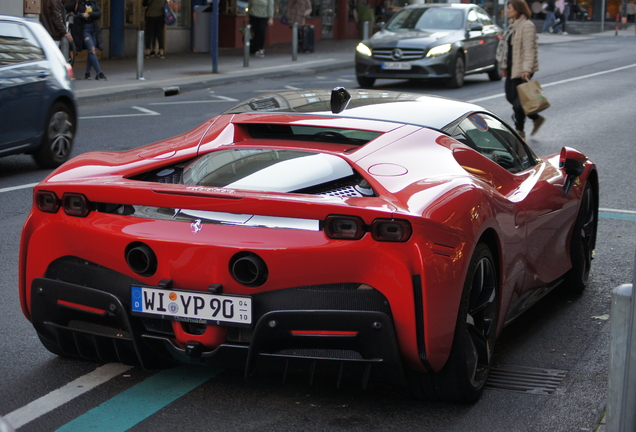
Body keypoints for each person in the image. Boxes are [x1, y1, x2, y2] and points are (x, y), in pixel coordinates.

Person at [496, 0, 545, 139]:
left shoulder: (527, 26)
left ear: (517, 9)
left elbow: (529, 50)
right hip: (512, 67)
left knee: (519, 103)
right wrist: (504, 67)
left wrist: (527, 69)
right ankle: (536, 118)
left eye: (510, 8)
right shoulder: (513, 26)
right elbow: (508, 50)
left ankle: (519, 131)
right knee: (511, 97)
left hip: (523, 68)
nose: (507, 11)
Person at [66, 0, 107, 80]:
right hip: (84, 29)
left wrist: (89, 14)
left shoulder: (92, 2)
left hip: (94, 28)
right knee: (92, 50)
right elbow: (65, 8)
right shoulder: (77, 2)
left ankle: (87, 73)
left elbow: (99, 13)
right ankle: (99, 72)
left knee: (92, 51)